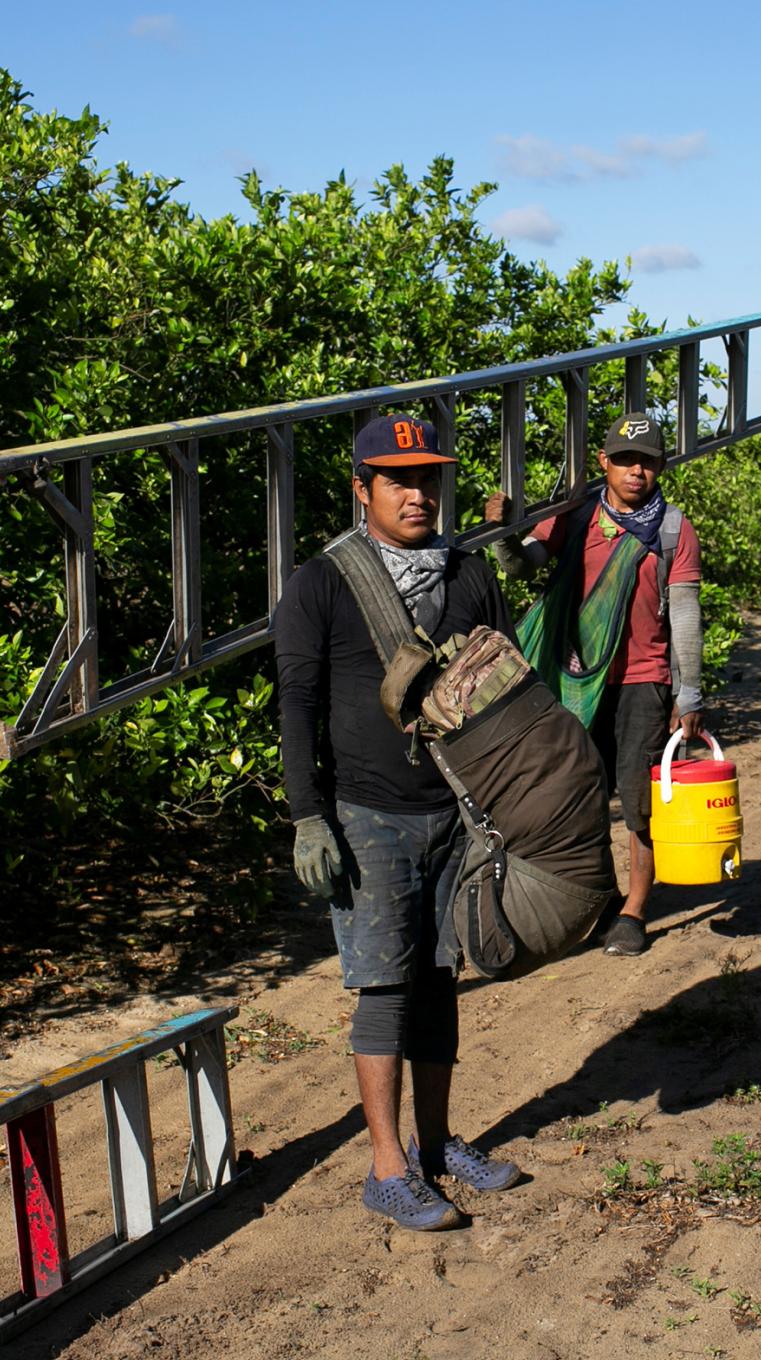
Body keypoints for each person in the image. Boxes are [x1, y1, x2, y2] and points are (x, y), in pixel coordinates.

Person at [275, 413, 523, 1230]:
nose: (418, 494)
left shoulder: (468, 572)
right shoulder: (323, 581)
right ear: (362, 489)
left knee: (440, 980)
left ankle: (437, 1143)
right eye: (397, 480)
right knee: (383, 988)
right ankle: (387, 1170)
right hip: (368, 815)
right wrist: (309, 816)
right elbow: (298, 703)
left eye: (427, 479)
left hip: (453, 809)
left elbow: (506, 689)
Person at [482, 411, 705, 958]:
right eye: (625, 460)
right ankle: (600, 894)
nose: (636, 471)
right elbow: (523, 565)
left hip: (642, 682)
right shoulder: (576, 516)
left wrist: (690, 693)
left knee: (637, 797)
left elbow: (684, 616)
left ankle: (632, 909)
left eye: (647, 461)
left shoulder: (673, 530)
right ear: (603, 463)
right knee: (579, 792)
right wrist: (504, 531)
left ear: (661, 467)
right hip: (573, 679)